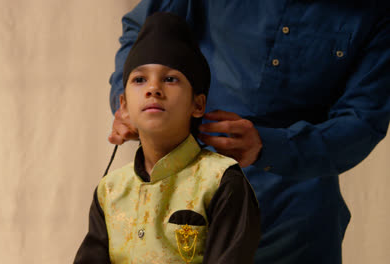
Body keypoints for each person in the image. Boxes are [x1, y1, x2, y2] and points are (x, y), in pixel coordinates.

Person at [107, 1, 390, 263]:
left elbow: (363, 121)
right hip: (187, 196)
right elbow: (144, 28)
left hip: (298, 215)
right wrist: (130, 102)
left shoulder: (374, 11)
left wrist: (270, 146)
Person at [74, 12, 260, 264]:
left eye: (170, 79)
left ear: (198, 104)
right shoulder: (110, 190)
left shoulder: (222, 181)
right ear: (124, 106)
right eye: (139, 79)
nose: (153, 89)